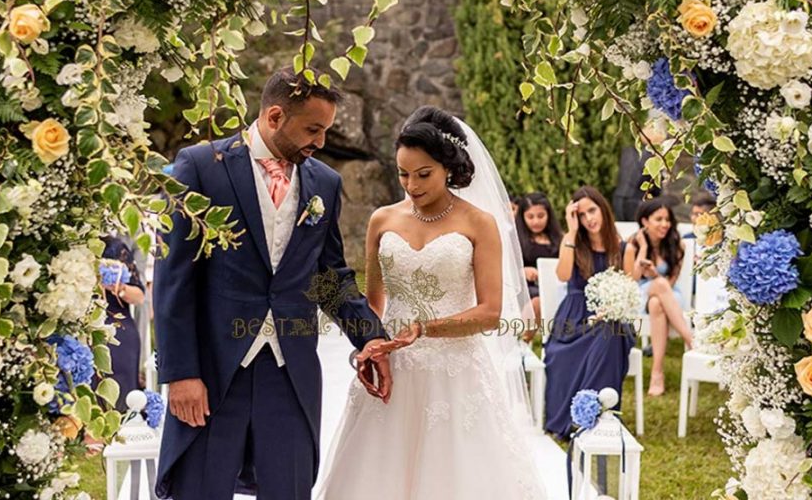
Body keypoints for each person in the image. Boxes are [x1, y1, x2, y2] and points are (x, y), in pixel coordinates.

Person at [153, 68, 390, 500]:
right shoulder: (201, 166)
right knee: (200, 488)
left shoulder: (325, 183)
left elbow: (329, 277)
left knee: (290, 488)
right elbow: (174, 280)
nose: (320, 142)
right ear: (275, 116)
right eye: (313, 129)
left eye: (326, 130)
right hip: (214, 371)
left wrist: (370, 339)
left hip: (290, 371)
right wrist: (181, 373)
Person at [317, 107, 546, 499]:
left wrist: (425, 329)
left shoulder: (479, 223)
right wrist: (370, 351)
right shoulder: (382, 220)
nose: (411, 185)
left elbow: (490, 314)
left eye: (423, 174)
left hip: (455, 376)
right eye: (403, 174)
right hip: (395, 371)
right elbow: (373, 306)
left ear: (448, 167)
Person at [543, 186, 635, 441]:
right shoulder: (572, 242)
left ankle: (595, 417)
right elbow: (562, 275)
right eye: (581, 215)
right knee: (559, 355)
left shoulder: (624, 249)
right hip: (573, 318)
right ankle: (577, 417)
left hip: (611, 317)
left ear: (602, 208)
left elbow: (628, 293)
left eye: (592, 210)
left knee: (610, 336)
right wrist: (571, 231)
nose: (588, 219)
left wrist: (609, 310)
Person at [624, 197, 692, 396]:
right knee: (656, 292)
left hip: (669, 296)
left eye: (667, 219)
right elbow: (630, 281)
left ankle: (657, 373)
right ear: (645, 221)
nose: (665, 224)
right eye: (659, 219)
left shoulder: (676, 245)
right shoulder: (632, 245)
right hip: (638, 295)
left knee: (656, 303)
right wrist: (643, 249)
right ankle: (691, 339)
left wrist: (655, 275)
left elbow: (670, 281)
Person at [98, 236, 146, 411]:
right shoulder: (63, 245)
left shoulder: (114, 247)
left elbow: (139, 296)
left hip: (117, 328)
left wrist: (116, 287)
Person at [515, 192, 563, 339]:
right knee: (536, 302)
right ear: (522, 217)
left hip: (552, 287)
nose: (536, 221)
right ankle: (522, 340)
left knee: (542, 299)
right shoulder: (516, 240)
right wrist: (521, 271)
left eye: (540, 216)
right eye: (530, 217)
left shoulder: (559, 239)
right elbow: (503, 268)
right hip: (524, 289)